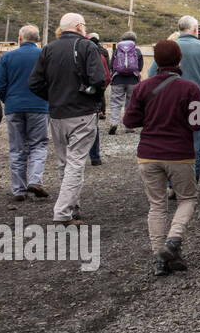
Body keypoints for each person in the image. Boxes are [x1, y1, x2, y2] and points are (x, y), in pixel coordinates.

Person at [123, 39, 200, 276]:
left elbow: (129, 121)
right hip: (180, 153)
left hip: (148, 154)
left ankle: (160, 258)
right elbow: (197, 122)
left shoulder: (142, 88)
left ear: (156, 61)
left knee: (157, 206)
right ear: (179, 59)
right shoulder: (190, 89)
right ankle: (173, 241)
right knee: (187, 198)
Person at [27, 13, 107, 226]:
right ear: (79, 26)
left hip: (57, 114)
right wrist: (94, 99)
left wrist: (53, 96)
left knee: (65, 163)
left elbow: (34, 83)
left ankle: (72, 207)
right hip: (82, 113)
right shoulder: (87, 46)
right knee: (75, 163)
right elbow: (99, 79)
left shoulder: (48, 49)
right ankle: (63, 213)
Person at [148, 16, 200, 182]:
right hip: (196, 104)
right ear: (195, 29)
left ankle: (171, 183)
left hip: (169, 103)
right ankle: (189, 183)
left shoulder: (169, 48)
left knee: (172, 141)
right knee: (195, 144)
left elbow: (150, 74)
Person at [0, 26, 50, 202]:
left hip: (14, 107)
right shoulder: (44, 55)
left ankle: (18, 190)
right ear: (37, 39)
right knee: (39, 145)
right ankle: (35, 180)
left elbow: (0, 85)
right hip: (39, 106)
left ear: (20, 38)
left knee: (16, 148)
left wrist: (8, 100)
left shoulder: (6, 57)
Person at [107, 32, 143, 134]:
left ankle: (114, 123)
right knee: (130, 103)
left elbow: (112, 66)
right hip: (133, 81)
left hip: (118, 80)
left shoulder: (116, 51)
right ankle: (129, 126)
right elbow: (139, 67)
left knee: (116, 103)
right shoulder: (137, 51)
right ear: (134, 40)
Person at [86, 33, 112, 166]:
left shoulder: (76, 54)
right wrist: (99, 92)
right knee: (93, 127)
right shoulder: (101, 54)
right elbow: (107, 76)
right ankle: (95, 157)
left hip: (72, 100)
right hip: (93, 96)